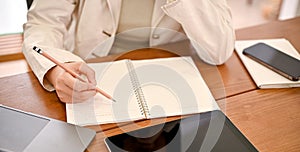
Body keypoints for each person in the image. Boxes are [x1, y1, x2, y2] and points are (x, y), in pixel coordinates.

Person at [22, 0, 235, 103]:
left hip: (167, 83)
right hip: (91, 75)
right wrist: (57, 70)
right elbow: (43, 24)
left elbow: (218, 51)